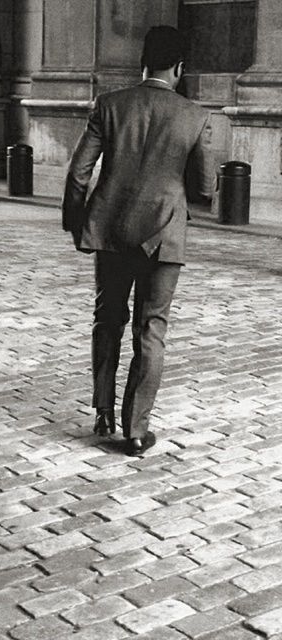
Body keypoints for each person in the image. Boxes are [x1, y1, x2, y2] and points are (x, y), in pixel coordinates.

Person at [62, 25, 213, 456]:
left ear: (142, 63)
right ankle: (135, 430)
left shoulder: (110, 105)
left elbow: (78, 173)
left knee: (107, 318)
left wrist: (79, 225)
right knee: (152, 329)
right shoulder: (194, 116)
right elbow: (204, 187)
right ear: (180, 68)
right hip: (163, 236)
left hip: (110, 231)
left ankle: (103, 411)